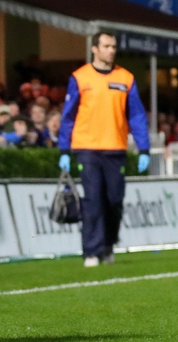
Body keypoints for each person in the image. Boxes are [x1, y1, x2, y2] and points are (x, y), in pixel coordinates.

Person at [58, 32, 150, 268]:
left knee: (114, 201)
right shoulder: (80, 77)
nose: (111, 51)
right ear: (95, 49)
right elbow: (68, 115)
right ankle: (91, 251)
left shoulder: (126, 78)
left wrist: (144, 148)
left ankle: (108, 244)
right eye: (107, 46)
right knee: (93, 199)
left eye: (114, 46)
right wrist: (64, 149)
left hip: (115, 148)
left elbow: (136, 115)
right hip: (87, 148)